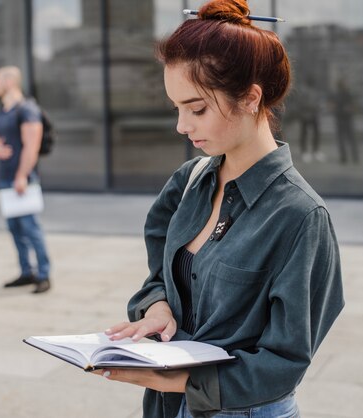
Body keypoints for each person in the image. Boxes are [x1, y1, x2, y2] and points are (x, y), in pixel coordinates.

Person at [98, 1, 344, 417]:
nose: (182, 125)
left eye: (197, 109)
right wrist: (156, 307)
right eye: (176, 108)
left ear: (250, 98)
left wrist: (175, 379)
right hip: (168, 405)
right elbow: (160, 276)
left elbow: (285, 363)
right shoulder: (188, 182)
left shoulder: (301, 217)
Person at [0, 66, 51, 294]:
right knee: (14, 228)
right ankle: (27, 272)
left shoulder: (26, 109)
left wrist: (22, 176)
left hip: (22, 180)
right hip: (5, 180)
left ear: (9, 82)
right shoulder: (3, 110)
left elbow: (31, 146)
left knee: (31, 228)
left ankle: (44, 275)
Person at [331, 77, 359, 164]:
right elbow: (352, 106)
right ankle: (350, 157)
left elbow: (352, 106)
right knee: (348, 139)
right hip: (343, 118)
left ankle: (348, 157)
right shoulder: (344, 94)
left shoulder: (342, 94)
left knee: (345, 139)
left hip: (343, 118)